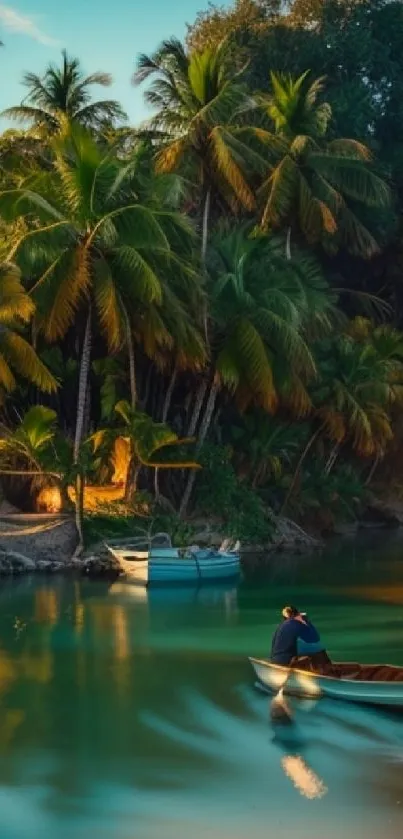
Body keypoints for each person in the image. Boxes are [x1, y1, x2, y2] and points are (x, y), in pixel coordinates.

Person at [271, 605, 331, 671]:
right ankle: (329, 672)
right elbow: (315, 638)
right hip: (286, 663)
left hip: (275, 661)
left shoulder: (280, 626)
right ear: (296, 614)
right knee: (320, 654)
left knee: (305, 654)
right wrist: (306, 621)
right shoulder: (295, 623)